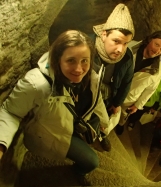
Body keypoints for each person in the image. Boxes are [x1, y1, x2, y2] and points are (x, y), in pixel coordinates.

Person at [0, 30, 109, 185]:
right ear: (58, 60)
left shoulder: (90, 76)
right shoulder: (37, 84)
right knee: (91, 162)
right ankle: (73, 174)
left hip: (76, 124)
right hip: (55, 131)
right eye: (71, 60)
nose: (79, 69)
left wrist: (105, 123)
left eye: (85, 60)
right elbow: (11, 112)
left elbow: (96, 99)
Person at [91, 3, 134, 151]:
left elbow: (127, 81)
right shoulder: (88, 49)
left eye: (126, 43)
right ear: (104, 35)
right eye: (116, 41)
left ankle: (100, 134)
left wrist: (117, 103)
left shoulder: (127, 57)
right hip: (89, 95)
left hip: (108, 95)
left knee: (103, 120)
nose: (120, 49)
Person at [115, 30, 161, 135]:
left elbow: (150, 89)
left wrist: (137, 105)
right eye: (156, 44)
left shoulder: (157, 70)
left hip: (129, 97)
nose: (157, 50)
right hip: (115, 86)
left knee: (123, 115)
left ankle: (120, 124)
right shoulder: (131, 47)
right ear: (150, 40)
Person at [127, 50, 161, 131]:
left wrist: (156, 107)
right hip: (136, 93)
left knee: (137, 114)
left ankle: (132, 121)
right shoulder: (152, 64)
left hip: (148, 101)